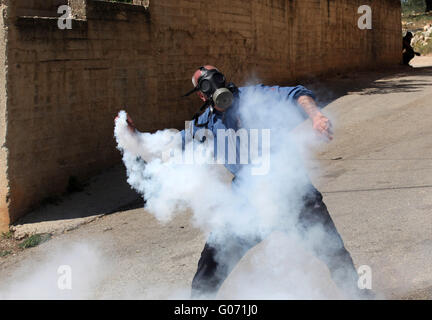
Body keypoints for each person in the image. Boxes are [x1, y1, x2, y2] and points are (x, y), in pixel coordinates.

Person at [121, 65, 374, 299]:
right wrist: (135, 137)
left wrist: (316, 116)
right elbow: (169, 147)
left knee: (334, 253)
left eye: (217, 77)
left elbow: (297, 93)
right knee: (211, 264)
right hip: (248, 203)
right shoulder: (204, 124)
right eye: (206, 84)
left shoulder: (255, 97)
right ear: (201, 95)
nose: (215, 84)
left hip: (293, 193)